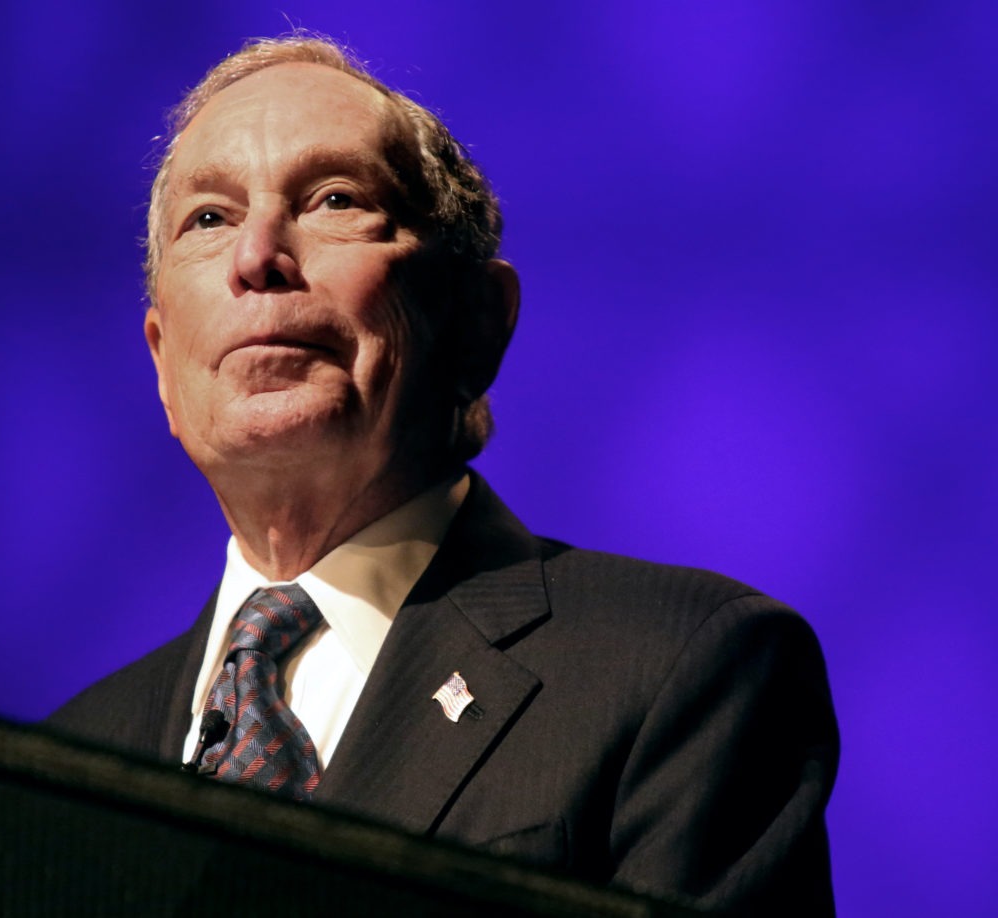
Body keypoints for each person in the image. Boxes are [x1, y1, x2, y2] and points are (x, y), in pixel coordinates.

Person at [48, 35, 838, 915]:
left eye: (334, 200)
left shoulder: (683, 670)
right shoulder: (60, 764)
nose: (257, 254)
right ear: (162, 360)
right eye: (209, 218)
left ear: (475, 327)